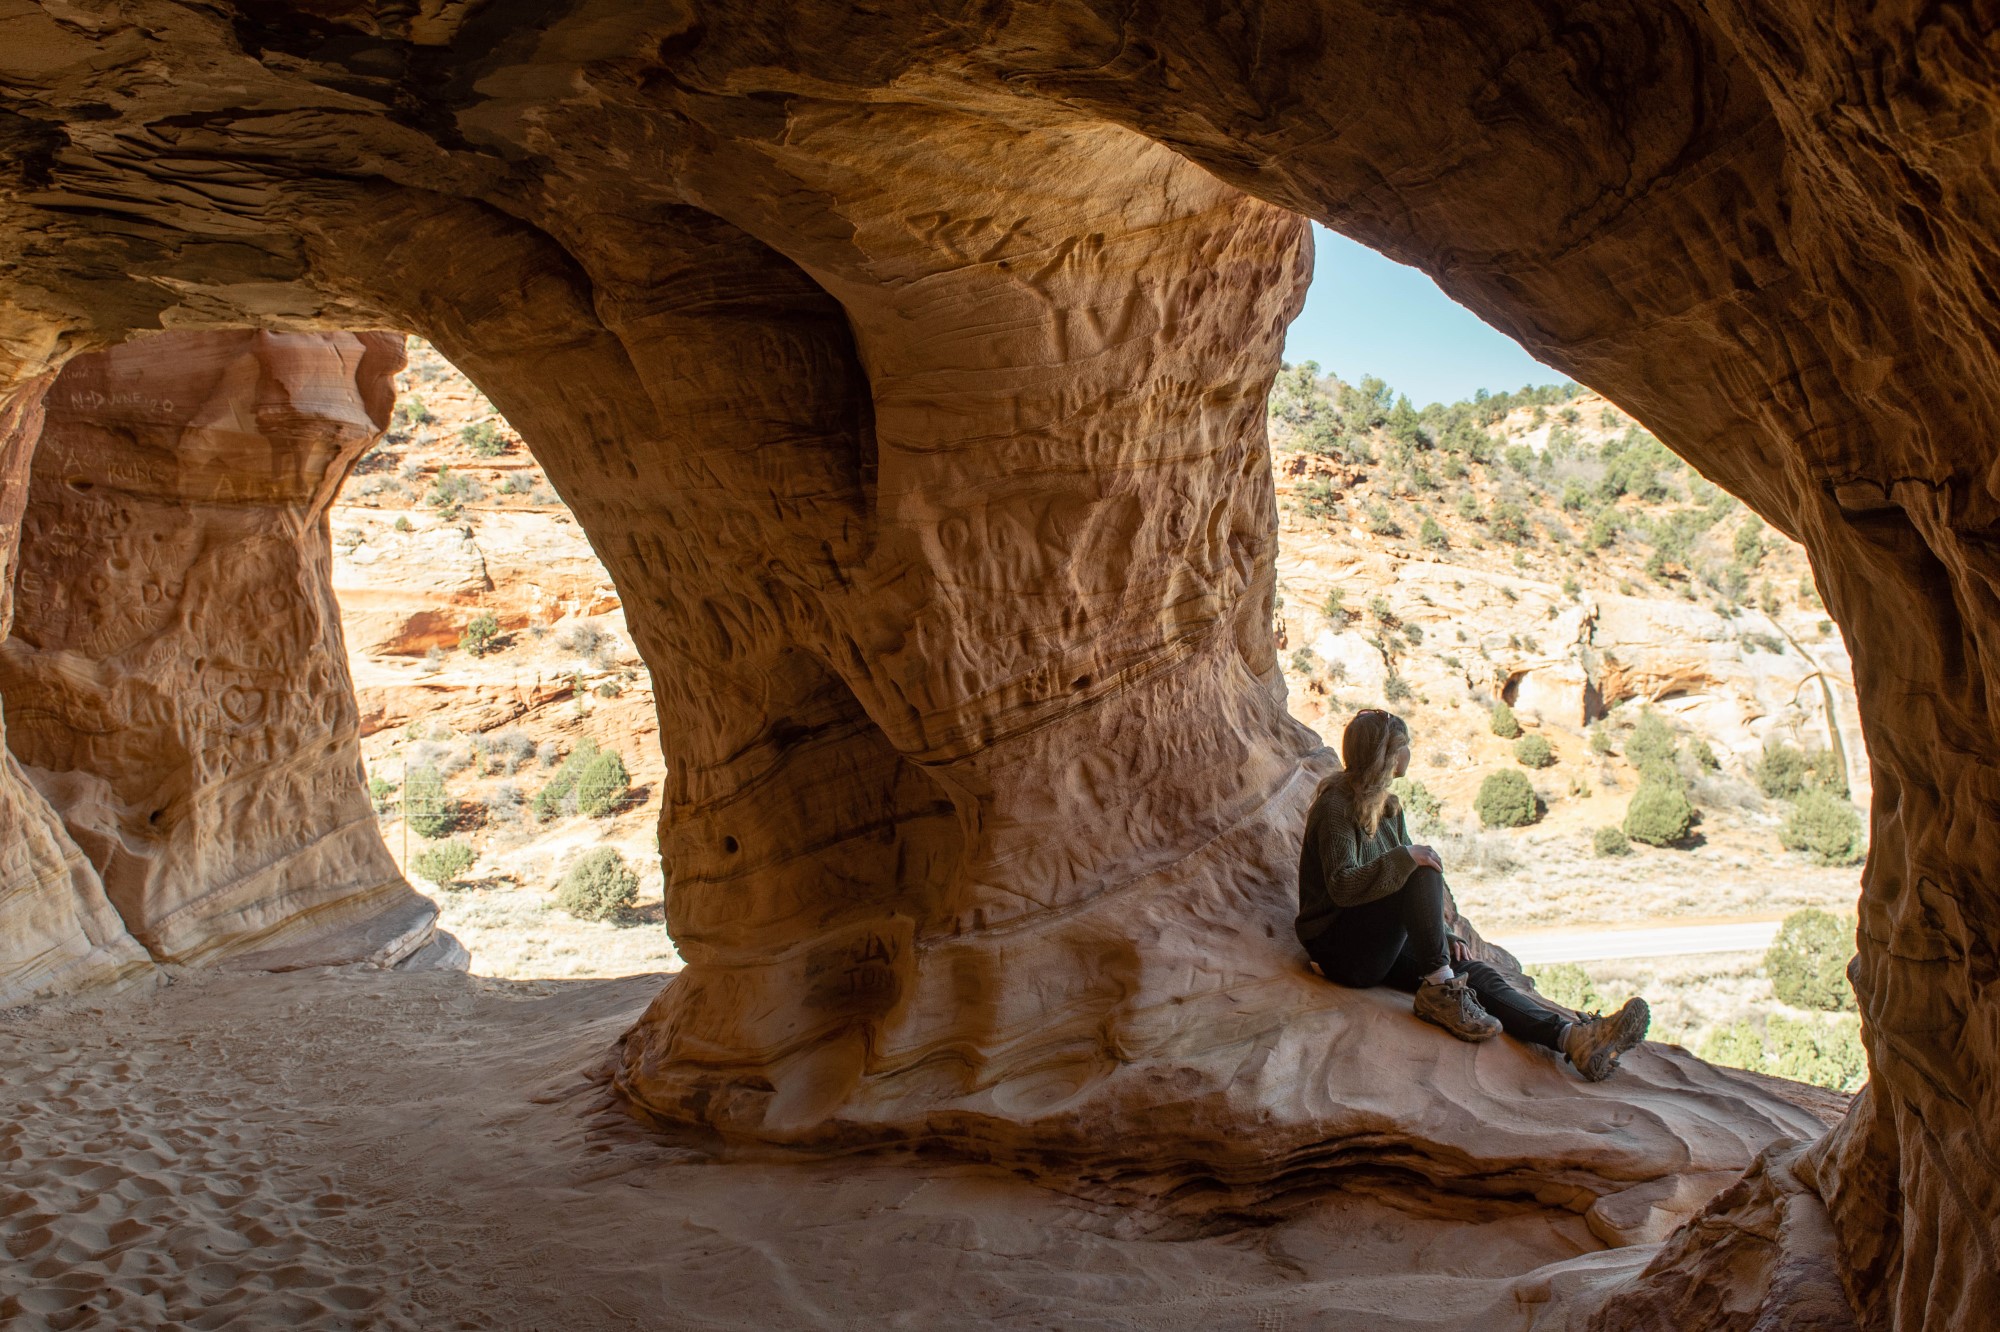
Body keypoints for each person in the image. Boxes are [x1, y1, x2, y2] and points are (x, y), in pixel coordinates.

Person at [1297, 707, 1651, 1081]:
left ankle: (1572, 1039)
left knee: (1473, 973)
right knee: (1421, 867)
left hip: (1373, 942)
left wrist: (1439, 935)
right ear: (1385, 755)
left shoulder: (1388, 807)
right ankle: (1438, 987)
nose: (1409, 753)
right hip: (1340, 949)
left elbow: (1397, 888)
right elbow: (1343, 887)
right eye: (1404, 745)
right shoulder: (1335, 805)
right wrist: (1405, 859)